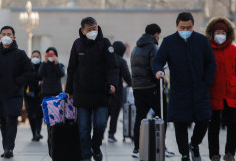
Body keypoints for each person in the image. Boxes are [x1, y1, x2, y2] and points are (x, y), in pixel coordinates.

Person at [152, 12, 216, 161]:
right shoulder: (169, 42)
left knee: (204, 121)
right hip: (179, 91)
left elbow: (211, 63)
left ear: (193, 26)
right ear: (177, 26)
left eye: (189, 27)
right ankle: (185, 154)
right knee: (180, 124)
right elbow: (157, 60)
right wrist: (158, 71)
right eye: (182, 27)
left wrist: (206, 81)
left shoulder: (202, 41)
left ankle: (194, 144)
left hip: (200, 89)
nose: (186, 30)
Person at [65, 17, 118, 161]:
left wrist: (113, 84)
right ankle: (86, 156)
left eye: (95, 28)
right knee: (83, 129)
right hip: (81, 93)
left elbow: (112, 66)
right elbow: (71, 68)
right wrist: (68, 90)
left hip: (101, 92)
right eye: (89, 30)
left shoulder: (105, 43)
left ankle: (96, 147)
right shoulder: (77, 45)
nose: (93, 31)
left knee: (100, 124)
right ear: (83, 31)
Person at [205, 17, 236, 161]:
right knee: (213, 126)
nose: (220, 35)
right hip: (213, 92)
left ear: (227, 34)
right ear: (212, 33)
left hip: (232, 93)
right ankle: (214, 154)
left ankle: (230, 153)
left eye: (223, 32)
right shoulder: (206, 50)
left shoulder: (234, 50)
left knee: (234, 124)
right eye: (217, 32)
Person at [0, 26, 34, 158]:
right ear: (0, 36)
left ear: (14, 37)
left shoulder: (20, 54)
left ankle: (9, 148)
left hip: (14, 93)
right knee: (2, 121)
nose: (6, 36)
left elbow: (30, 71)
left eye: (9, 34)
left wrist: (18, 81)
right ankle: (5, 147)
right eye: (4, 34)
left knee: (11, 120)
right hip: (0, 93)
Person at [130, 24, 175, 158]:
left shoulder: (135, 48)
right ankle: (161, 147)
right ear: (156, 34)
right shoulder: (153, 47)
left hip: (138, 88)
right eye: (159, 35)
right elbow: (154, 69)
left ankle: (137, 149)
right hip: (151, 88)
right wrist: (160, 83)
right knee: (162, 116)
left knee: (140, 118)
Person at [109, 41, 132, 143]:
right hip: (117, 92)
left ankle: (100, 135)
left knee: (104, 113)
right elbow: (127, 76)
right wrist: (132, 84)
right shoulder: (121, 61)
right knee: (114, 114)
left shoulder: (107, 58)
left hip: (104, 91)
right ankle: (111, 134)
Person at [24, 50, 44, 141]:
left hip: (39, 95)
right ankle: (34, 133)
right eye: (33, 56)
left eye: (37, 56)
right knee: (31, 115)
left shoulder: (42, 67)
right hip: (28, 95)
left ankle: (38, 132)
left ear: (40, 58)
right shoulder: (27, 67)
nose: (35, 58)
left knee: (39, 115)